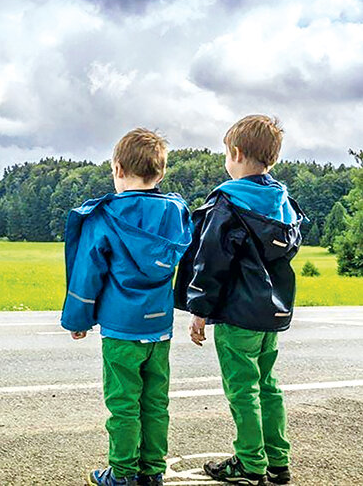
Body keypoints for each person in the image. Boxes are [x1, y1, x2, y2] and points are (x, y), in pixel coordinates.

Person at [175, 115, 304, 486]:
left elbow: (211, 260)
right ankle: (278, 460)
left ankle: (249, 463)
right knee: (268, 385)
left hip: (236, 314)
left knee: (242, 389)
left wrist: (199, 310)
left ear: (235, 152)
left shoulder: (228, 202)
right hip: (271, 312)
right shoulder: (283, 203)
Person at [61, 128, 193, 486]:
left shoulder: (104, 217)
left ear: (117, 169)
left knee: (123, 405)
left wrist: (78, 319)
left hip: (121, 330)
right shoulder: (175, 214)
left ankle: (121, 473)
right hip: (160, 328)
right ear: (160, 174)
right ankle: (152, 471)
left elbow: (88, 272)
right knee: (155, 402)